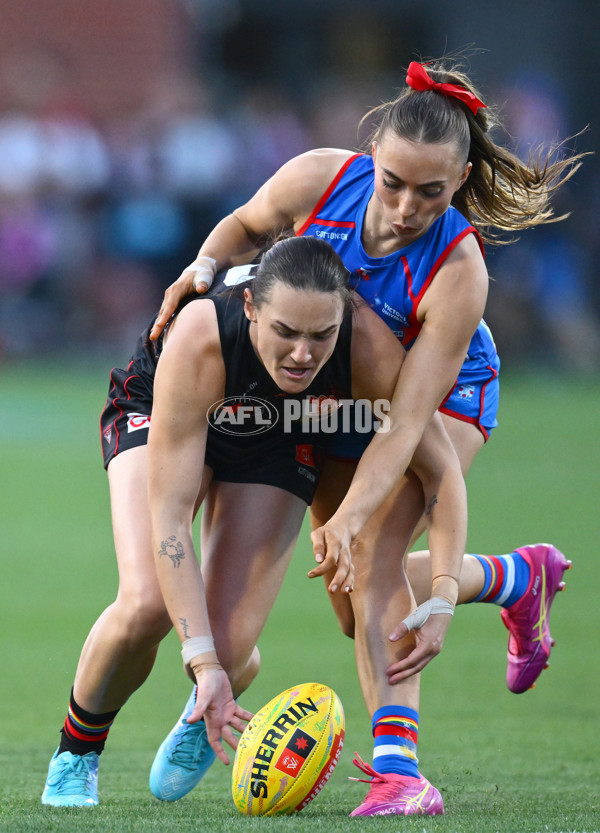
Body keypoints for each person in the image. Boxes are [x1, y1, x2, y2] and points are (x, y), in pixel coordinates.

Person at [148, 57, 578, 815]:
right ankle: (513, 578)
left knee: (376, 555)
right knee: (355, 603)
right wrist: (206, 263)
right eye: (394, 182)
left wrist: (353, 518)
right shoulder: (319, 178)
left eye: (432, 191)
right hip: (341, 392)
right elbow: (245, 226)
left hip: (441, 397)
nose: (408, 206)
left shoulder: (458, 269)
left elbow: (408, 421)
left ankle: (401, 772)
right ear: (372, 152)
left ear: (461, 179)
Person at [41, 235, 468, 811]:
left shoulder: (366, 346)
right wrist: (202, 661)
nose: (302, 354)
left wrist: (441, 595)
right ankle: (76, 755)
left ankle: (216, 693)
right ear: (250, 308)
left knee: (231, 642)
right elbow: (170, 522)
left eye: (322, 335)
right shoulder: (200, 333)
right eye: (285, 331)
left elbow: (440, 474)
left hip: (281, 426)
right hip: (168, 404)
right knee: (146, 603)